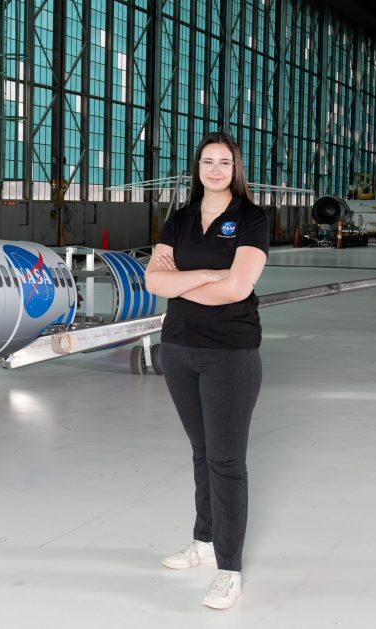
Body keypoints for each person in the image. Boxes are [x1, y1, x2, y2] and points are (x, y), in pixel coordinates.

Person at [144, 131, 269, 611]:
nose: (215, 169)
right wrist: (205, 277)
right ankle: (203, 540)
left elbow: (238, 289)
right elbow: (155, 281)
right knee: (201, 452)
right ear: (196, 168)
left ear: (235, 169)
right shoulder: (177, 220)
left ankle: (229, 568)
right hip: (178, 348)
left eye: (224, 162)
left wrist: (182, 282)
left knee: (226, 460)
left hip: (230, 353)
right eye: (207, 161)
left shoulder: (251, 218)